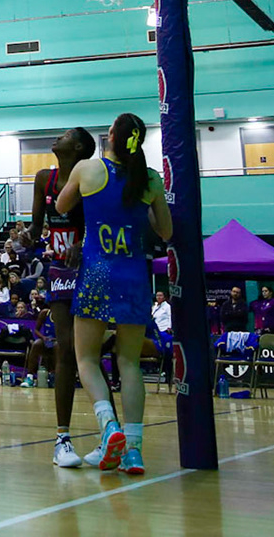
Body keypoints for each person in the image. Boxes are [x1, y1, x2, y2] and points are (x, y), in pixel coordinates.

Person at [60, 112, 172, 476]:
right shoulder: (150, 179)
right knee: (129, 363)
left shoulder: (88, 170)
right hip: (133, 275)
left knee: (87, 359)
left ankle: (108, 426)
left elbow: (61, 206)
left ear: (110, 136)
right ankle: (134, 450)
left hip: (96, 272)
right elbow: (166, 232)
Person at [32, 126, 98, 467]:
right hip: (58, 273)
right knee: (65, 349)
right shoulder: (44, 177)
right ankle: (62, 440)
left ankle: (108, 432)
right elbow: (34, 227)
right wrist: (26, 239)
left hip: (88, 269)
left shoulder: (91, 178)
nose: (57, 138)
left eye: (66, 135)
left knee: (90, 351)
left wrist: (79, 244)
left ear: (80, 148)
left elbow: (96, 227)